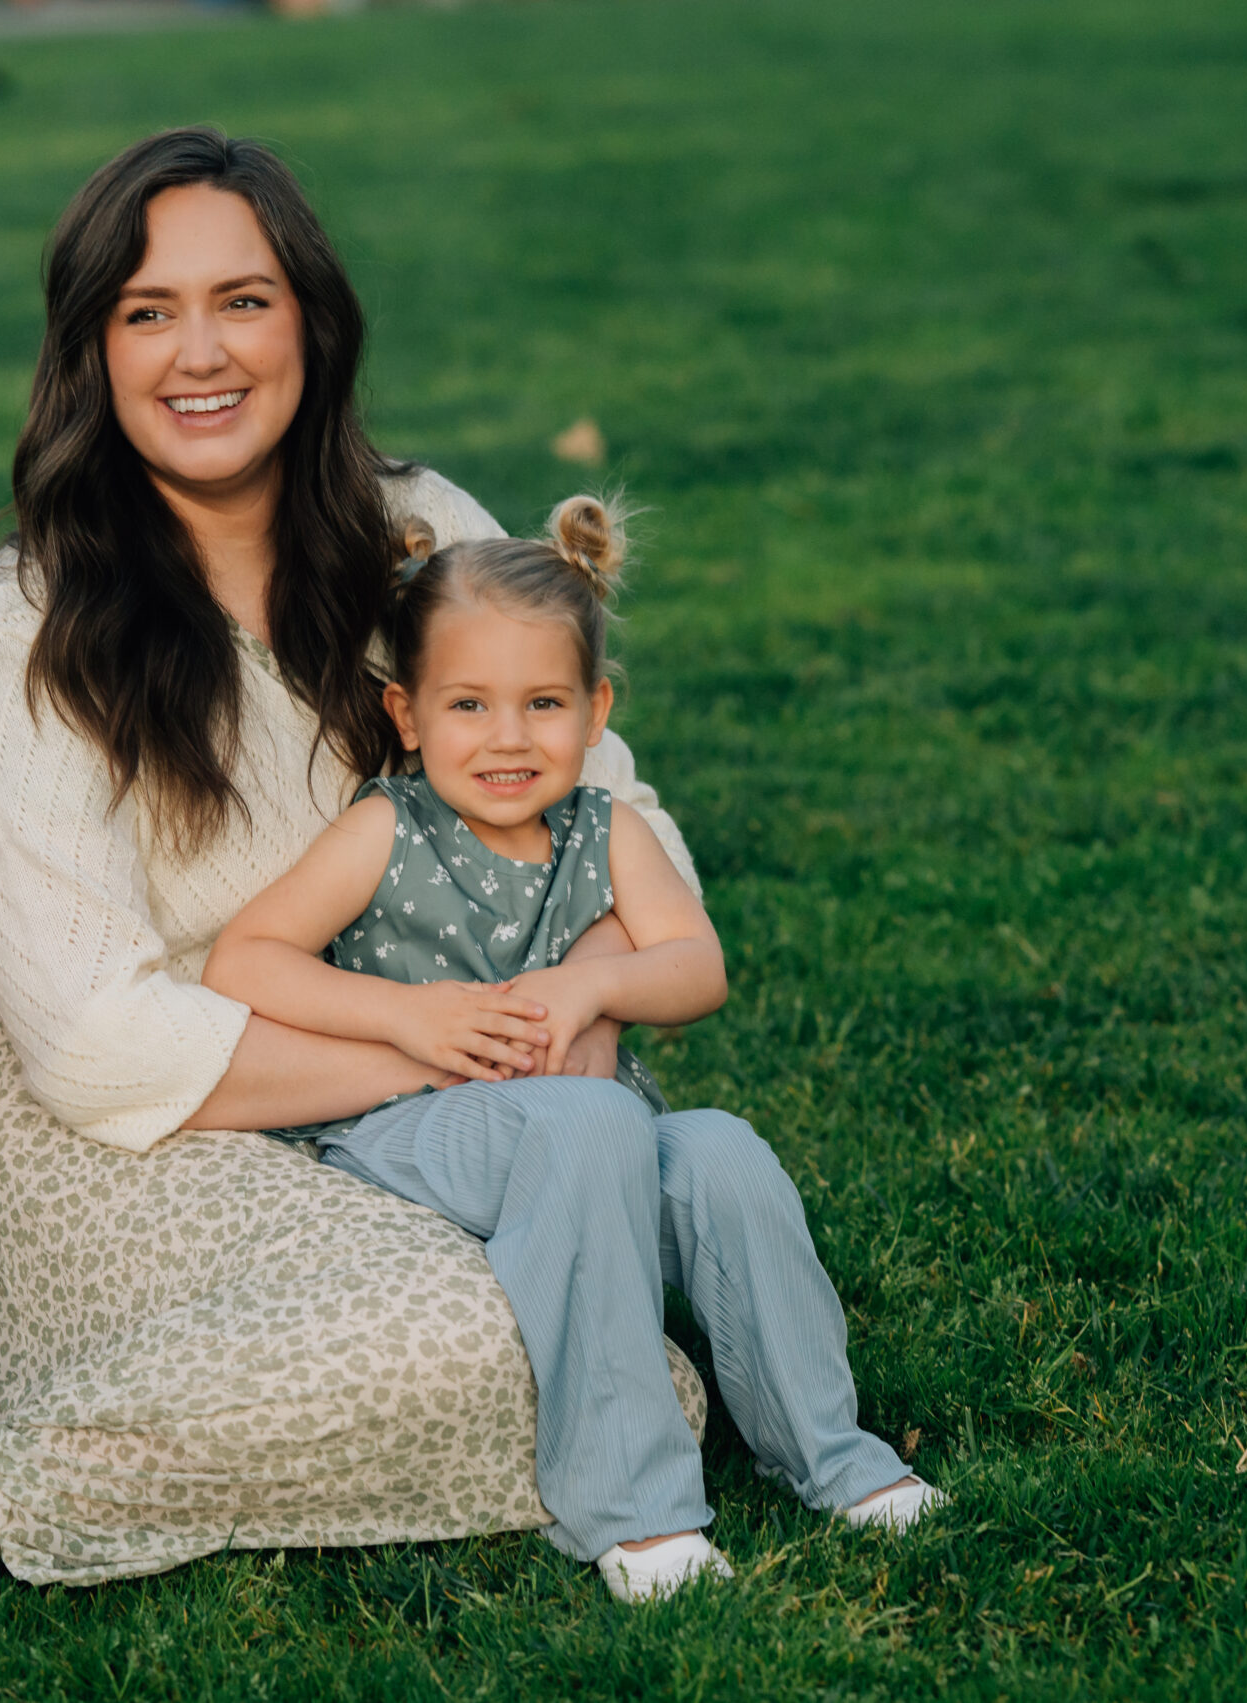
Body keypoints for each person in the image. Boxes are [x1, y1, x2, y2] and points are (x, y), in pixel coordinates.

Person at [0, 127, 712, 1659]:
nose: (199, 352)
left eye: (241, 299)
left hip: (433, 1110)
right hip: (132, 1143)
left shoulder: (426, 529)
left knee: (634, 1363)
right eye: (147, 311)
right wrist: (462, 1040)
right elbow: (100, 1041)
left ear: (311, 317)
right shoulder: (32, 614)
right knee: (535, 1338)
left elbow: (612, 812)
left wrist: (569, 1001)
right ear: (91, 351)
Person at [202, 496, 938, 1601]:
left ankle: (829, 1453)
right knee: (596, 1119)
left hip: (580, 1126)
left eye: (542, 703)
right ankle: (632, 1506)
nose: (508, 737)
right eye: (469, 704)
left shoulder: (607, 830)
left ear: (595, 710)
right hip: (412, 1127)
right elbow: (245, 960)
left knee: (723, 1148)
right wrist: (408, 1015)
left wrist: (593, 983)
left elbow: (697, 965)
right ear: (405, 713)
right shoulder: (385, 830)